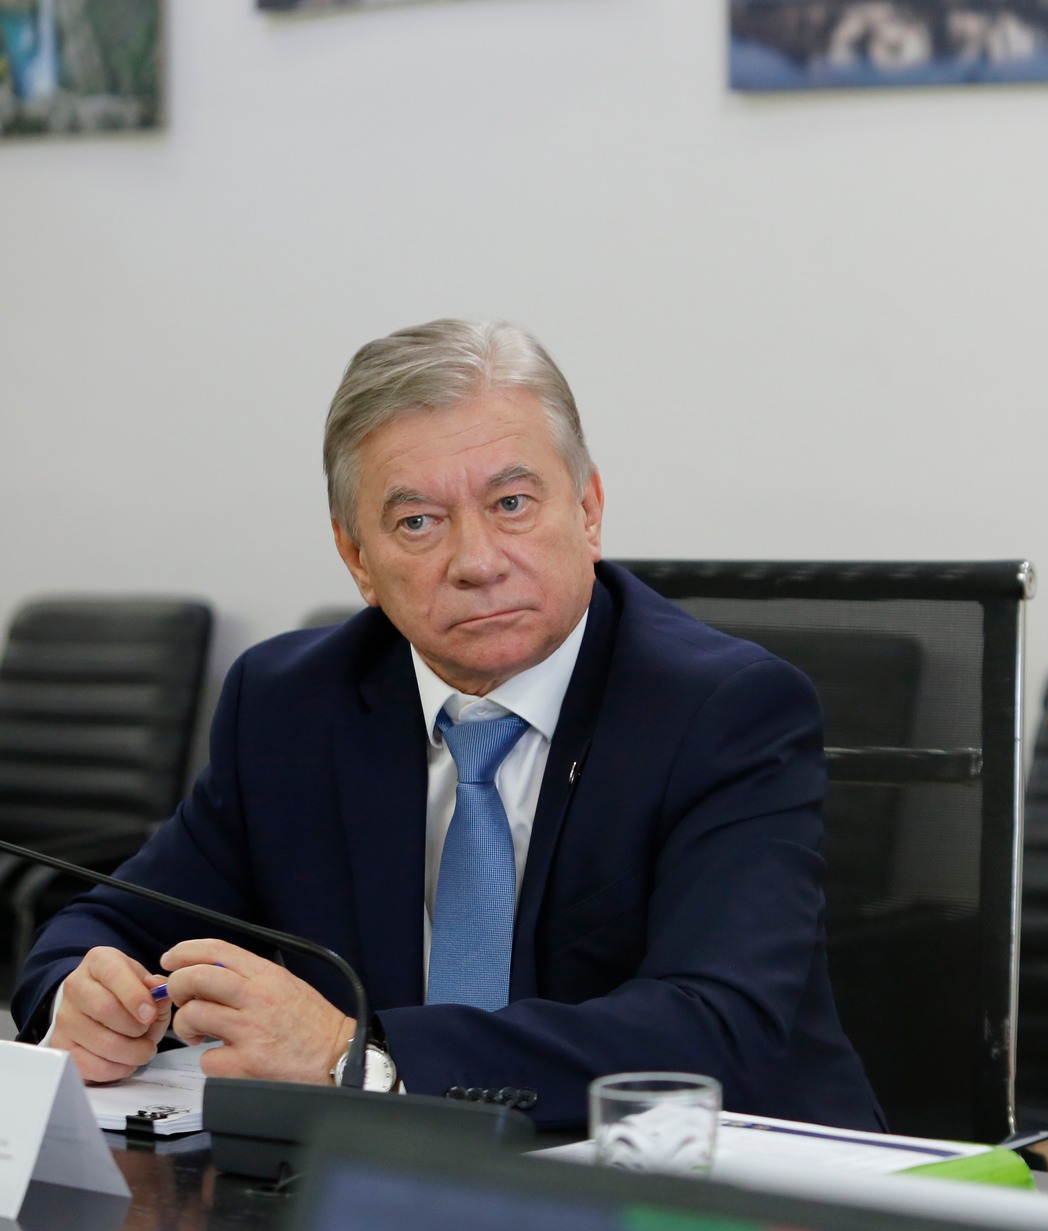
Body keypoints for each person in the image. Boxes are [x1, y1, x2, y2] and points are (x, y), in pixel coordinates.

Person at [11, 318, 883, 1131]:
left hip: (704, 1182)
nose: (476, 561)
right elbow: (103, 929)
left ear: (588, 510)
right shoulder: (289, 706)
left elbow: (717, 1025)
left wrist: (355, 1054)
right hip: (372, 1182)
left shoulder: (724, 709)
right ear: (357, 557)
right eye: (418, 522)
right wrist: (85, 1003)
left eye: (513, 503)